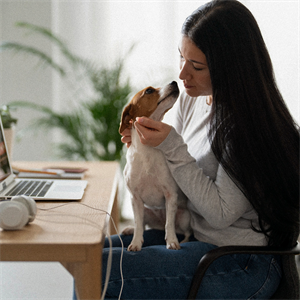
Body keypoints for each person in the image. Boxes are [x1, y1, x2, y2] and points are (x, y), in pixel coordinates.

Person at [73, 0, 300, 299]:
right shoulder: (194, 98)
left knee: (100, 272)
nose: (182, 74)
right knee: (87, 254)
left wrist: (170, 145)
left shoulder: (246, 128)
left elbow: (219, 214)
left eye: (196, 66)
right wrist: (146, 147)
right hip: (193, 235)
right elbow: (177, 173)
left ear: (231, 69)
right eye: (181, 57)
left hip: (238, 261)